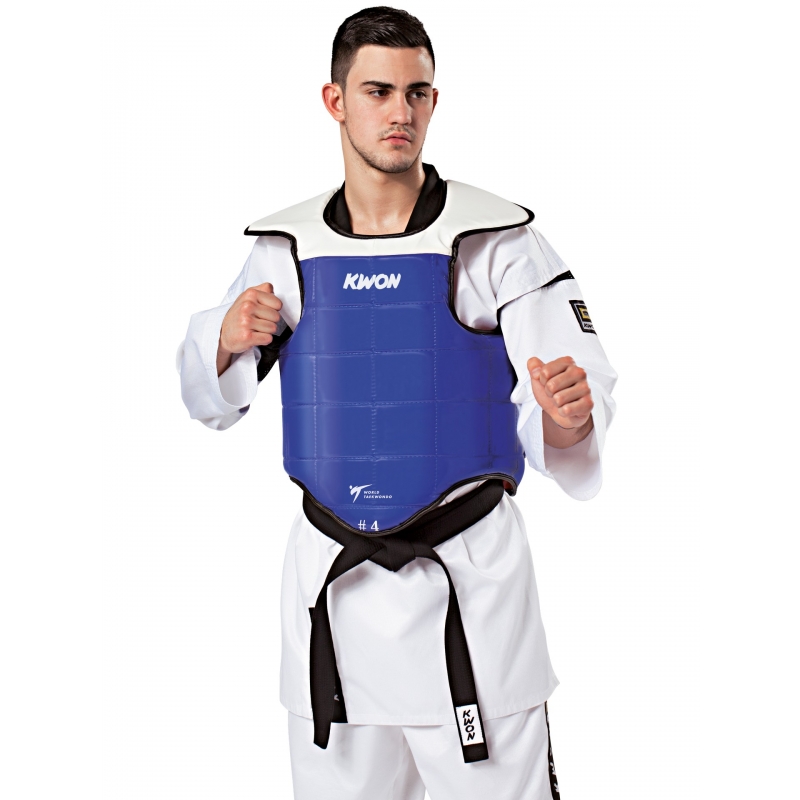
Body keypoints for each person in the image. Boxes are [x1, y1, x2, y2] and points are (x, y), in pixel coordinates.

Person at [178, 7, 617, 799]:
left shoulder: (497, 241)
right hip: (333, 598)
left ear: (434, 101)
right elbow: (210, 399)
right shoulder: (286, 249)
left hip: (469, 598)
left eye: (417, 93)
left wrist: (568, 415)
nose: (401, 113)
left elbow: (572, 394)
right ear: (335, 101)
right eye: (378, 92)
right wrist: (222, 338)